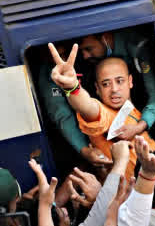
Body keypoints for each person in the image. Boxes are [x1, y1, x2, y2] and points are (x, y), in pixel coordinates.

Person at [49, 44, 155, 173]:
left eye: (119, 81)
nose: (114, 89)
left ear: (130, 81)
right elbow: (87, 107)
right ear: (97, 89)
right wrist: (72, 87)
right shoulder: (105, 115)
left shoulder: (134, 112)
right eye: (106, 84)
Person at [76, 29, 155, 143]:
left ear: (104, 37)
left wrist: (138, 128)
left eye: (89, 49)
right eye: (106, 84)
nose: (85, 56)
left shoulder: (137, 49)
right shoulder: (101, 114)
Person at [36, 40, 111, 168]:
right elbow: (62, 114)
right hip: (80, 132)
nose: (62, 60)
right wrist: (84, 149)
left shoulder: (86, 57)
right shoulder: (48, 76)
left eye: (65, 54)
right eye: (56, 56)